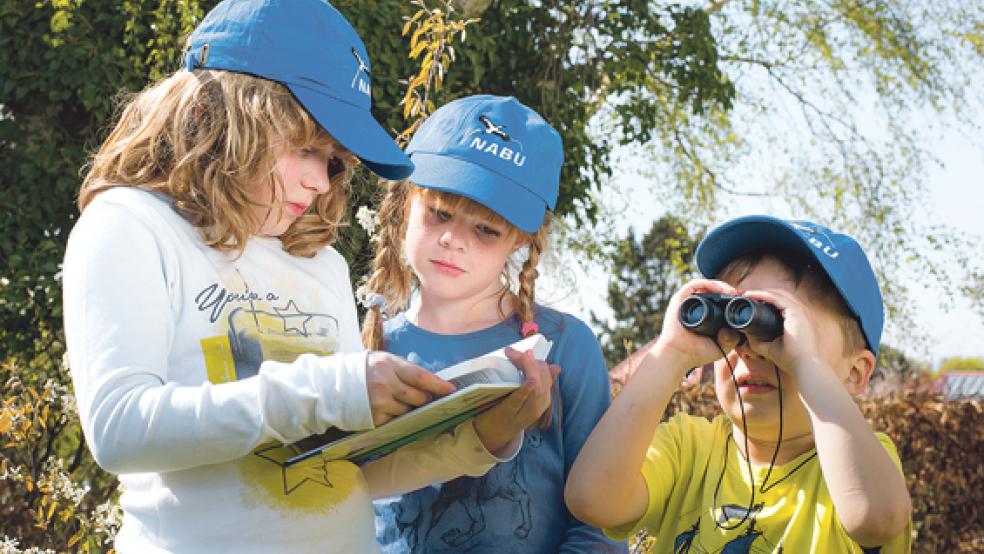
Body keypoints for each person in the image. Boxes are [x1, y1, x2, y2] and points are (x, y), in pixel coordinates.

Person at [62, 1, 555, 552]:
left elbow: (345, 471)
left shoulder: (320, 264)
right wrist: (329, 390)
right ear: (218, 115)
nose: (322, 182)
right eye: (306, 150)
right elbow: (119, 429)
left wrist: (480, 438)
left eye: (335, 161)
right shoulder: (130, 225)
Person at [364, 94, 627, 553]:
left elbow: (598, 522)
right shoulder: (369, 353)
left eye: (486, 229)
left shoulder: (565, 346)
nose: (453, 239)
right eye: (439, 212)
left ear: (521, 239)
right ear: (406, 201)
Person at [566, 216, 913, 552]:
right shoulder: (689, 448)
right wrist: (671, 352)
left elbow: (876, 519)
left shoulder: (859, 466)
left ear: (855, 373)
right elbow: (593, 500)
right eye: (734, 321)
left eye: (782, 327)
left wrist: (804, 362)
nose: (752, 349)